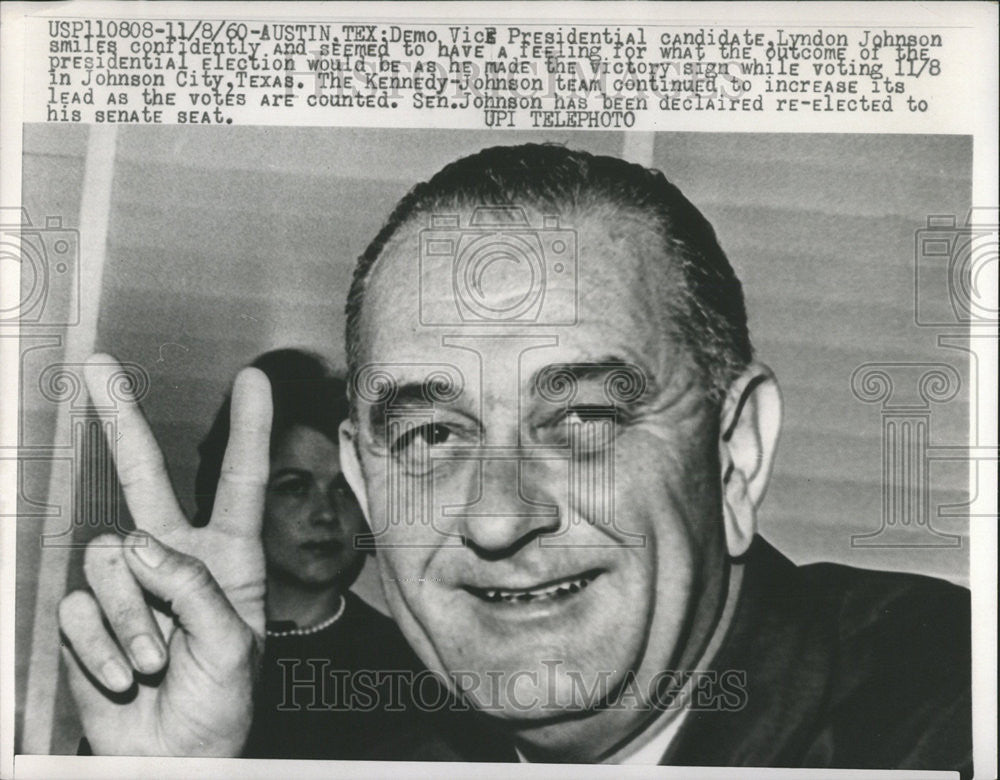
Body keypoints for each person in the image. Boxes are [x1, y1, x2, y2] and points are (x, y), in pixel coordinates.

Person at [59, 144, 971, 772]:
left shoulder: (946, 713)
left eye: (578, 419)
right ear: (370, 489)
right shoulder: (389, 754)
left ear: (735, 454)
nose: (497, 517)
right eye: (432, 435)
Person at [192, 349, 438, 759]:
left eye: (344, 489)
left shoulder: (409, 667)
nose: (325, 514)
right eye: (294, 486)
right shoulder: (188, 644)